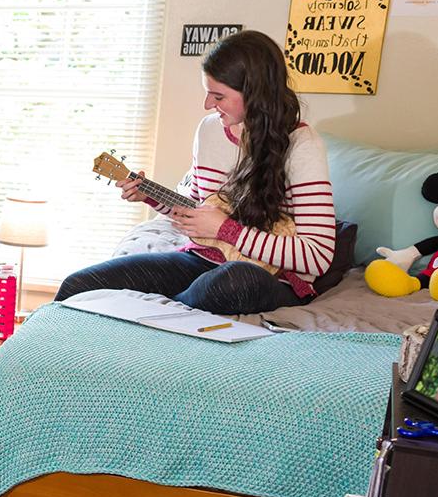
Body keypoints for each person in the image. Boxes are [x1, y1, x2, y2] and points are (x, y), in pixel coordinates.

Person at [56, 30, 336, 315]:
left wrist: (225, 229)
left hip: (270, 278)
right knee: (80, 283)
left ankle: (161, 313)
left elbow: (317, 256)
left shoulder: (302, 145)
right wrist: (148, 196)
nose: (207, 105)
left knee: (232, 282)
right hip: (205, 260)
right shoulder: (209, 130)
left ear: (255, 93)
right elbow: (195, 211)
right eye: (207, 92)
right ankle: (166, 312)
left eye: (218, 95)